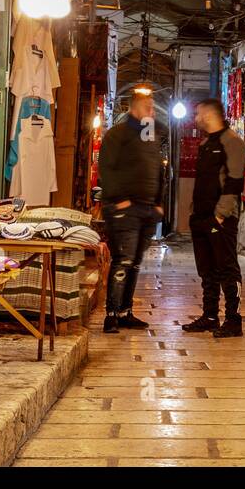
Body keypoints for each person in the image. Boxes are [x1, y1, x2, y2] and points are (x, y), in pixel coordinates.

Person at [97, 86, 165, 334]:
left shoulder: (150, 137)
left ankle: (125, 311)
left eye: (153, 109)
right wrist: (119, 199)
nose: (152, 112)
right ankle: (112, 314)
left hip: (147, 209)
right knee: (123, 260)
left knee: (135, 262)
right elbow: (107, 168)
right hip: (124, 209)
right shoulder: (118, 135)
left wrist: (158, 202)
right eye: (147, 107)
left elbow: (158, 169)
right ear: (134, 109)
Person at [182, 98, 245, 338]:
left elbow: (234, 181)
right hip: (200, 216)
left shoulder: (232, 142)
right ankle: (210, 316)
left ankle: (233, 319)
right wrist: (194, 211)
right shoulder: (206, 143)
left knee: (227, 269)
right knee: (207, 270)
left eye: (198, 114)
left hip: (221, 218)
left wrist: (220, 215)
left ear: (209, 115)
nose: (196, 118)